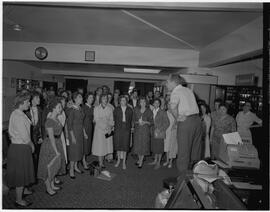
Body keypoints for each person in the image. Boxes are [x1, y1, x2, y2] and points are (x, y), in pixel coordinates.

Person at [166, 74, 203, 174]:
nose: (166, 84)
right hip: (197, 121)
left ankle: (183, 179)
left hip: (187, 122)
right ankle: (196, 176)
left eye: (167, 82)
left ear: (173, 82)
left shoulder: (176, 91)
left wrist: (177, 118)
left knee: (183, 152)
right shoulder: (188, 90)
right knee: (196, 151)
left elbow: (172, 107)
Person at [7, 93, 35, 207]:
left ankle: (23, 190)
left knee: (23, 172)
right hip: (20, 148)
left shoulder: (18, 113)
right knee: (20, 175)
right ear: (21, 103)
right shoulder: (18, 116)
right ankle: (19, 199)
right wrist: (31, 144)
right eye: (28, 101)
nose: (29, 103)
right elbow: (25, 136)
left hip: (19, 147)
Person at [38, 98, 62, 196]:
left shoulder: (56, 118)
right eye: (59, 107)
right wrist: (56, 151)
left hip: (57, 142)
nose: (61, 109)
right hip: (50, 145)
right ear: (53, 108)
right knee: (48, 166)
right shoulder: (49, 121)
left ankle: (52, 184)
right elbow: (51, 138)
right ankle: (48, 188)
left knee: (54, 167)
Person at [67, 92, 88, 179]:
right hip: (74, 132)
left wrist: (84, 133)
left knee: (79, 151)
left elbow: (82, 123)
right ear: (75, 99)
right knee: (73, 152)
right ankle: (71, 169)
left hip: (80, 132)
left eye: (81, 97)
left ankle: (76, 167)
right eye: (79, 97)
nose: (81, 98)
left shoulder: (80, 108)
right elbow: (69, 125)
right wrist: (72, 136)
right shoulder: (72, 110)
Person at [92, 94, 114, 168]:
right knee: (100, 147)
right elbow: (97, 120)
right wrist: (105, 127)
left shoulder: (110, 108)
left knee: (107, 147)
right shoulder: (96, 108)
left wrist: (110, 126)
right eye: (103, 98)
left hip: (108, 130)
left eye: (106, 98)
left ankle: (103, 161)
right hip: (100, 130)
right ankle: (100, 163)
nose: (105, 99)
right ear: (100, 99)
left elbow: (111, 119)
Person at [148, 98, 170, 170]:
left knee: (159, 148)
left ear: (160, 104)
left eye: (158, 103)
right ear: (153, 104)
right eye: (155, 103)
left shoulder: (162, 112)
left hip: (159, 132)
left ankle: (158, 163)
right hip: (153, 132)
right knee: (155, 147)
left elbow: (167, 123)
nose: (156, 104)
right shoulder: (152, 111)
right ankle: (155, 161)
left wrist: (160, 129)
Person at [113, 95, 133, 170]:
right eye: (121, 100)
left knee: (125, 145)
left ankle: (124, 162)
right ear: (119, 101)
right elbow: (114, 119)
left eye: (124, 100)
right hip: (118, 128)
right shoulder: (116, 109)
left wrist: (132, 127)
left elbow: (132, 120)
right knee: (118, 145)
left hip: (126, 128)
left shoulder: (130, 109)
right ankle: (118, 160)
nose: (123, 102)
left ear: (126, 101)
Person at [133, 97, 153, 168]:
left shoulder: (149, 111)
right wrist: (137, 122)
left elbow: (151, 122)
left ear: (146, 102)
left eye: (144, 101)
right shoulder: (136, 109)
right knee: (138, 146)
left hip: (145, 130)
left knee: (144, 146)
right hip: (138, 130)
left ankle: (141, 161)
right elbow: (133, 120)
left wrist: (145, 122)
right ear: (139, 102)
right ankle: (139, 159)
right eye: (141, 102)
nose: (143, 103)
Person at [27, 91, 43, 181]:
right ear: (31, 99)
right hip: (28, 136)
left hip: (36, 136)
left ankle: (35, 175)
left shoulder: (40, 109)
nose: (39, 99)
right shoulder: (26, 110)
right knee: (29, 157)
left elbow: (40, 124)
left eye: (39, 98)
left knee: (36, 156)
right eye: (37, 98)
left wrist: (40, 136)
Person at [82, 92, 95, 169]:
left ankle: (84, 159)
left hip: (90, 128)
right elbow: (81, 121)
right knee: (84, 145)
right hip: (85, 128)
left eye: (92, 98)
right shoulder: (83, 107)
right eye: (90, 97)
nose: (92, 99)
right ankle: (83, 161)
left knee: (87, 146)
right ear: (86, 99)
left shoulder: (92, 107)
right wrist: (84, 132)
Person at [163, 102, 178, 168]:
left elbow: (178, 120)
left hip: (173, 131)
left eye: (170, 105)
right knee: (167, 146)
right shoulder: (165, 112)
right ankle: (167, 160)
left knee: (172, 146)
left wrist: (173, 113)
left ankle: (171, 162)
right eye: (168, 105)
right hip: (166, 131)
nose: (169, 106)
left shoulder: (175, 112)